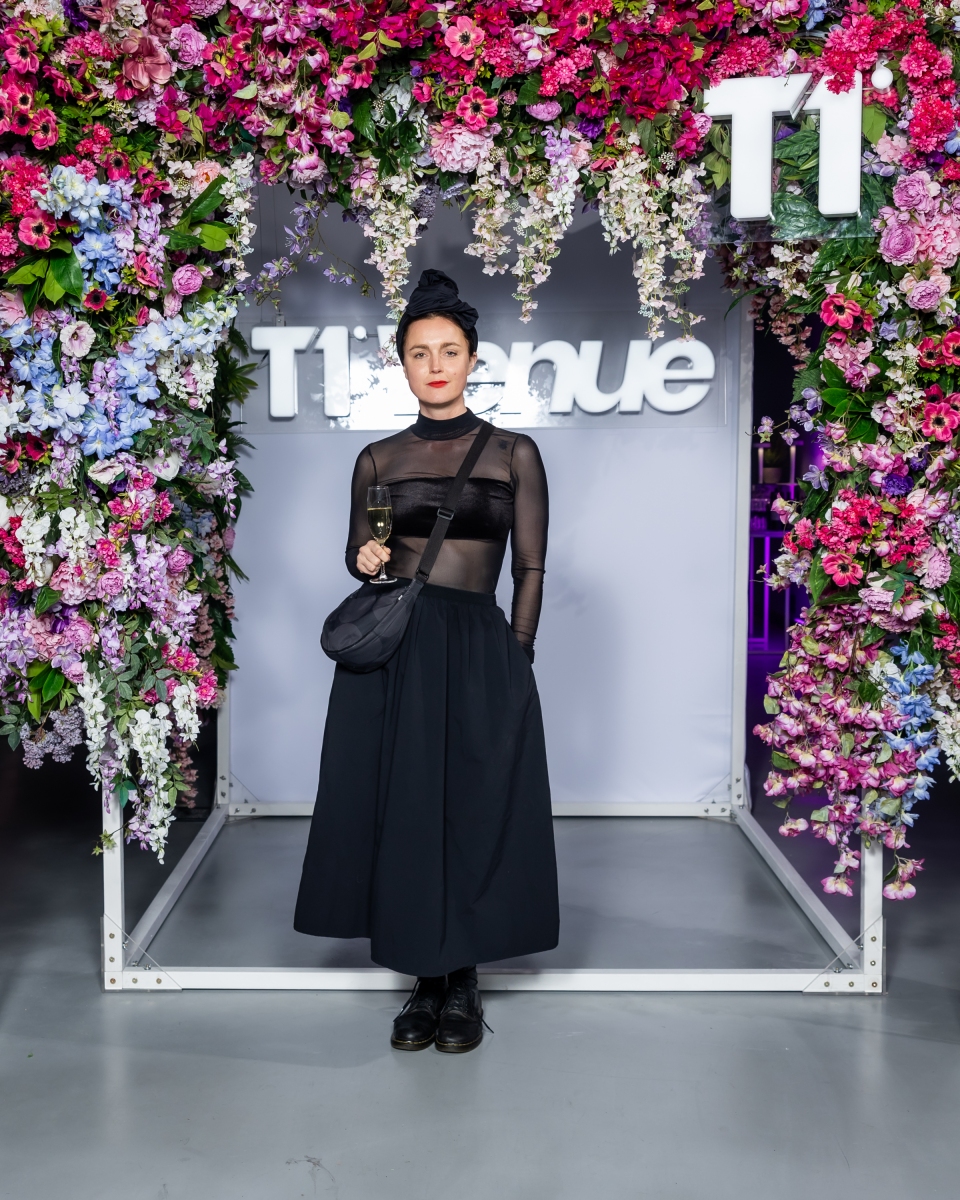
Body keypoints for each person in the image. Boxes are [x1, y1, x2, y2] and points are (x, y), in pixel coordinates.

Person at [294, 269, 559, 1053]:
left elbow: (531, 567)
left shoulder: (513, 452)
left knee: (473, 806)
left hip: (478, 646)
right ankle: (424, 978)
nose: (435, 365)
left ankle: (464, 979)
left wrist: (517, 654)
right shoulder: (377, 458)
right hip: (398, 652)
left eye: (448, 351)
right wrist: (365, 555)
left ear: (473, 358)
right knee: (403, 809)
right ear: (401, 363)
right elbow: (360, 552)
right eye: (419, 353)